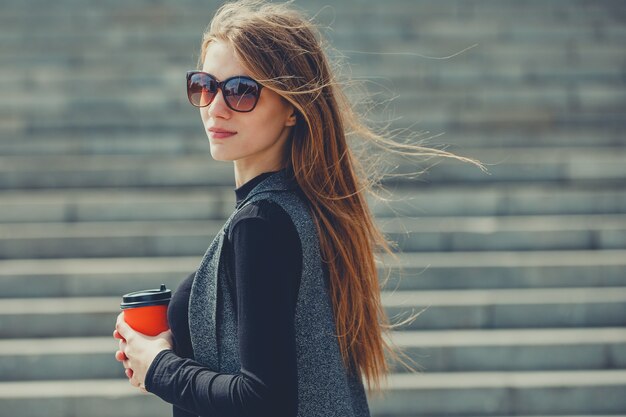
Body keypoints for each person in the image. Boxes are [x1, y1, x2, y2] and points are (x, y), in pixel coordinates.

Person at [113, 1, 482, 416]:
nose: (215, 107)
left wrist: (159, 367)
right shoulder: (302, 209)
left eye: (241, 91)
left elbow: (263, 398)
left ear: (292, 108)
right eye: (204, 85)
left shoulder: (263, 223)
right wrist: (174, 344)